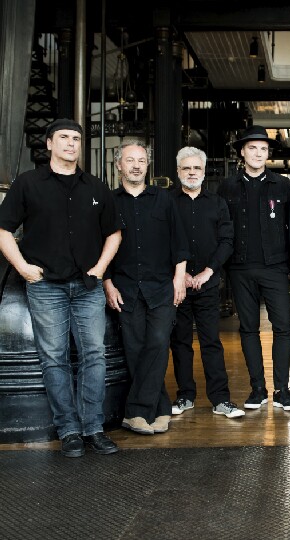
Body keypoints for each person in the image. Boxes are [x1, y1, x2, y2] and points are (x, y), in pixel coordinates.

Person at [0, 118, 122, 457]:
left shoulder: (95, 187)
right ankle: (69, 431)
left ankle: (93, 428)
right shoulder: (28, 184)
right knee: (54, 359)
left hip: (87, 286)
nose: (71, 143)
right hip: (46, 288)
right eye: (64, 137)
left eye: (76, 139)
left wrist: (100, 268)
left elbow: (114, 233)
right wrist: (22, 267)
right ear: (49, 144)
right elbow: (3, 230)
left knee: (94, 356)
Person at [104, 141, 190, 435]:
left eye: (141, 160)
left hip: (162, 287)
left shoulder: (164, 199)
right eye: (130, 160)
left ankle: (136, 412)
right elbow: (100, 246)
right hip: (125, 288)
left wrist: (179, 278)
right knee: (134, 349)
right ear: (119, 165)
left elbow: (179, 241)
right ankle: (160, 408)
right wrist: (107, 283)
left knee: (157, 343)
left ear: (147, 165)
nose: (136, 166)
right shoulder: (109, 201)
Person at [218, 125, 290, 411]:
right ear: (242, 152)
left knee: (283, 328)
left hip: (275, 267)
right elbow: (221, 229)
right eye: (252, 148)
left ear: (268, 154)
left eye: (263, 149)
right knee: (248, 328)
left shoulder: (283, 185)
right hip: (239, 269)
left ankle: (282, 390)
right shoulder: (227, 187)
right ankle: (257, 389)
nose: (258, 153)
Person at [169, 146, 244, 418]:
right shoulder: (167, 202)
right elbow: (162, 241)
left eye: (196, 168)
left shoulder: (217, 203)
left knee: (211, 342)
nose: (192, 172)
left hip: (208, 284)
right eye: (186, 168)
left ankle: (220, 399)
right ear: (178, 171)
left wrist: (207, 272)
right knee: (180, 343)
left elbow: (227, 241)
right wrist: (181, 275)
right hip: (177, 285)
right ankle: (185, 396)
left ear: (203, 171)